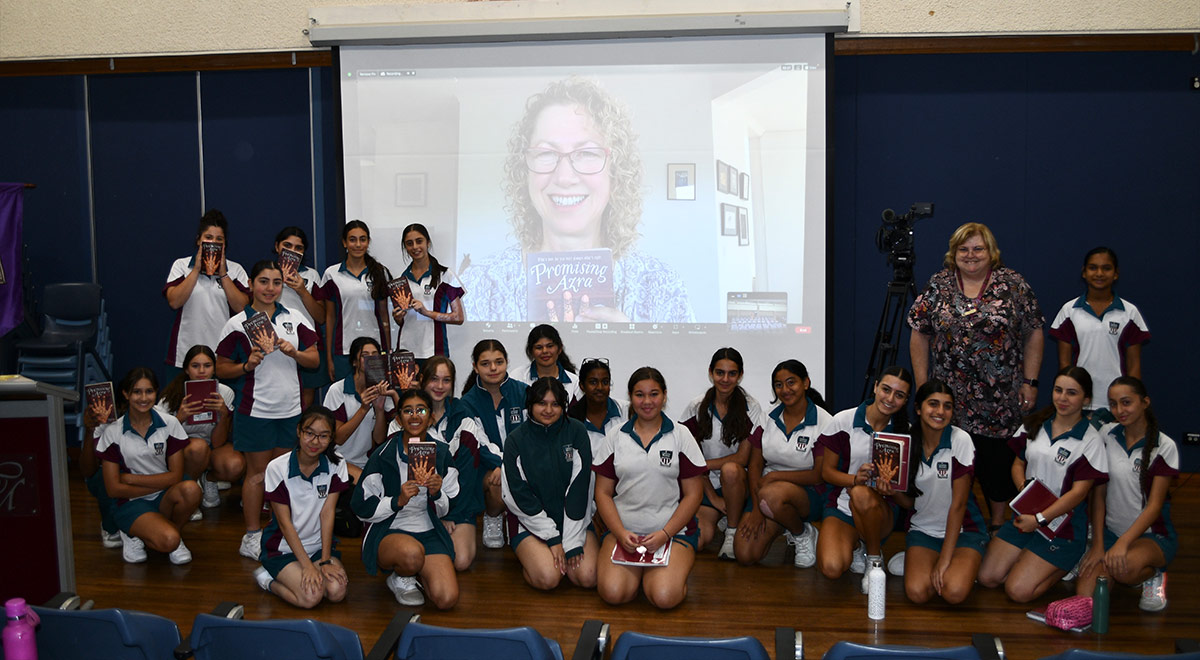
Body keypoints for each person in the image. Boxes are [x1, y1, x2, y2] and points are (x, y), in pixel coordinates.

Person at [460, 77, 695, 323]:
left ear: (616, 171)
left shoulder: (663, 287)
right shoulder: (480, 285)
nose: (564, 177)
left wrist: (631, 346)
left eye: (586, 153)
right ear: (524, 171)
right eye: (546, 153)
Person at [908, 222, 1045, 532]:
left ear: (991, 252)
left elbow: (1034, 331)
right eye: (963, 249)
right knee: (952, 466)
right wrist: (922, 387)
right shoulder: (939, 284)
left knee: (997, 468)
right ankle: (956, 527)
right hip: (949, 402)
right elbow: (919, 334)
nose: (970, 255)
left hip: (998, 401)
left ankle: (998, 528)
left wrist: (1030, 380)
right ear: (953, 253)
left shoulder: (1012, 284)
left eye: (978, 249)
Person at [215, 260, 320, 560]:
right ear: (250, 284)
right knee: (257, 475)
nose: (270, 288)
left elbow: (313, 360)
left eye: (276, 282)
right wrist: (246, 364)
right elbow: (221, 366)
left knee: (285, 477)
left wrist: (295, 352)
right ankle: (251, 535)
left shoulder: (296, 317)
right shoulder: (236, 323)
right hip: (255, 410)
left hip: (290, 411)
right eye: (263, 281)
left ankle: (281, 531)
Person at [977, 366, 1108, 603]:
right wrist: (1024, 493)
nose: (1063, 398)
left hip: (1062, 529)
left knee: (1017, 591)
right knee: (988, 578)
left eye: (1072, 393)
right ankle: (1029, 558)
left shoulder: (1091, 441)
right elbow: (1018, 465)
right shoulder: (1034, 424)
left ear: (1086, 399)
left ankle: (1069, 561)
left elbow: (1079, 493)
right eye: (1058, 390)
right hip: (1024, 517)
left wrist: (1040, 519)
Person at [593, 367, 705, 609]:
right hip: (624, 534)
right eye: (639, 395)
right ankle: (641, 573)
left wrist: (665, 534)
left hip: (671, 534)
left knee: (664, 597)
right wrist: (621, 534)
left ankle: (661, 575)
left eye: (653, 394)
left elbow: (694, 494)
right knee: (613, 593)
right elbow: (602, 493)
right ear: (631, 397)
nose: (647, 402)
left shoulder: (681, 435)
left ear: (664, 396)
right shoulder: (615, 436)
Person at [1075, 377, 1177, 612]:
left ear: (1145, 402)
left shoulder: (1164, 446)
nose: (1119, 410)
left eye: (1126, 402)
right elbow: (1098, 495)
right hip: (1111, 534)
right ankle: (1111, 558)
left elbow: (1154, 507)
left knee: (1125, 570)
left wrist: (1123, 544)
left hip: (1152, 535)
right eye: (1113, 404)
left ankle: (1154, 573)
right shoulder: (1106, 435)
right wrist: (1099, 545)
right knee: (1086, 598)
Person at [353, 389, 460, 609]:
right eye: (408, 411)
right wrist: (396, 501)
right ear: (399, 418)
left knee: (446, 599)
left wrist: (437, 493)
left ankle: (417, 570)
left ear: (430, 417)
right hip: (390, 530)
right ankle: (401, 576)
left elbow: (448, 507)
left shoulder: (441, 453)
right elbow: (360, 507)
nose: (414, 416)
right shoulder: (382, 455)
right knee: (411, 555)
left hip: (428, 530)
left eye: (421, 410)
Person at [888, 380, 988, 605]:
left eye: (947, 406)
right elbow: (908, 504)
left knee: (953, 593)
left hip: (964, 531)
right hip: (923, 530)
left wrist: (945, 559)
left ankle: (964, 562)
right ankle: (919, 560)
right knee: (917, 593)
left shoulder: (960, 440)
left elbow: (959, 505)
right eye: (933, 404)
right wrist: (890, 489)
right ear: (918, 408)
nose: (940, 412)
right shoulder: (906, 441)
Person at [816, 365, 913, 592]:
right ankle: (857, 545)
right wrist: (853, 479)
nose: (890, 399)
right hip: (842, 508)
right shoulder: (843, 420)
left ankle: (873, 558)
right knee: (831, 568)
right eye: (886, 390)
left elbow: (907, 500)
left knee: (861, 494)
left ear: (906, 400)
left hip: (880, 513)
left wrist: (891, 491)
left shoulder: (905, 432)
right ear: (876, 386)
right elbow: (826, 473)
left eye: (899, 395)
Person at [95, 368, 201, 564]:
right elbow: (113, 489)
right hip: (129, 502)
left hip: (158, 494)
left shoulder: (170, 423)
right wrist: (161, 481)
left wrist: (132, 479)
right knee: (167, 541)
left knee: (191, 490)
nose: (143, 398)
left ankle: (172, 533)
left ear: (156, 392)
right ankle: (132, 533)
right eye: (137, 392)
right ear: (126, 394)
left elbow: (176, 477)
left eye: (149, 391)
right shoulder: (113, 431)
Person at [733, 359, 832, 568]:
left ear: (806, 383)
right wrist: (758, 508)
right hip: (767, 494)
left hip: (808, 493)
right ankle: (783, 521)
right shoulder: (767, 417)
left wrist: (775, 477)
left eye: (791, 382)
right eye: (779, 385)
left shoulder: (824, 421)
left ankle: (802, 532)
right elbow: (755, 465)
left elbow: (818, 474)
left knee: (773, 494)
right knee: (745, 554)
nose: (785, 390)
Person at [502, 377, 598, 590]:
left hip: (573, 520)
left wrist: (571, 542)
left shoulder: (577, 431)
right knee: (549, 578)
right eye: (541, 403)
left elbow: (580, 488)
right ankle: (533, 560)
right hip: (530, 523)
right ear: (530, 406)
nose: (548, 410)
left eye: (555, 404)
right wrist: (552, 538)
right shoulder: (516, 440)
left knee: (587, 577)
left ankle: (558, 552)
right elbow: (518, 496)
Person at [252, 406, 351, 608]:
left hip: (317, 548)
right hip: (283, 549)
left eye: (324, 436)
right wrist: (306, 566)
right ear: (299, 431)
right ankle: (267, 580)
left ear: (331, 438)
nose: (315, 442)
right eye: (309, 433)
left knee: (336, 592)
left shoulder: (337, 464)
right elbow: (284, 522)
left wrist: (324, 561)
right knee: (311, 597)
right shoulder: (277, 468)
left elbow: (327, 513)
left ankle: (308, 570)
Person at [679, 348, 762, 559]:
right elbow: (689, 459)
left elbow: (742, 458)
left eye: (732, 373)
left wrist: (703, 465)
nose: (725, 379)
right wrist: (713, 497)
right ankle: (720, 517)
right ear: (711, 373)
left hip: (737, 484)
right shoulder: (696, 407)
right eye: (719, 372)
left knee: (731, 470)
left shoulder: (751, 408)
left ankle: (731, 531)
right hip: (705, 486)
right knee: (697, 541)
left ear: (740, 375)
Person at [412, 357, 489, 571]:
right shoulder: (410, 413)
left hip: (457, 506)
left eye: (446, 380)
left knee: (460, 560)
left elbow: (467, 473)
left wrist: (448, 514)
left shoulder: (463, 414)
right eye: (434, 379)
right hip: (417, 505)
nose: (439, 386)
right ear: (422, 380)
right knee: (413, 555)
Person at [1050, 247, 1150, 411]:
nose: (1099, 273)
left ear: (1116, 273)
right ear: (1084, 272)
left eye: (1106, 268)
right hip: (1080, 400)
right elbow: (1064, 364)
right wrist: (1068, 396)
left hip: (1116, 403)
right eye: (1093, 267)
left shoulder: (1130, 312)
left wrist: (1131, 401)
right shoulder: (1069, 310)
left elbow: (1134, 364)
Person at [156, 344, 244, 512]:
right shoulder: (173, 394)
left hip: (212, 447)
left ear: (214, 369)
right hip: (183, 451)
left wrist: (223, 415)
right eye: (195, 366)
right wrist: (179, 418)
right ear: (187, 370)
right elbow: (160, 439)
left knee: (234, 465)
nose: (201, 371)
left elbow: (218, 443)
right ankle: (188, 493)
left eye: (207, 365)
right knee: (198, 447)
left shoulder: (224, 393)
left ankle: (208, 479)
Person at [163, 209, 249, 376]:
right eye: (208, 238)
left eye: (219, 239)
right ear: (198, 240)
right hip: (184, 354)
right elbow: (174, 302)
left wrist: (223, 274)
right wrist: (196, 269)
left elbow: (242, 308)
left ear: (225, 244)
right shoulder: (181, 266)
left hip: (223, 356)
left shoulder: (236, 270)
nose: (213, 243)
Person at [459, 339, 527, 550]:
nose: (493, 368)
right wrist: (501, 463)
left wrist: (512, 462)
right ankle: (493, 515)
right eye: (485, 363)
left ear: (507, 362)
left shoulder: (524, 392)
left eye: (499, 362)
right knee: (497, 480)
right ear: (475, 367)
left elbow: (530, 433)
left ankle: (523, 522)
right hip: (488, 466)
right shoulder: (467, 402)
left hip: (523, 460)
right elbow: (478, 442)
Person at [319, 220, 393, 384]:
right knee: (345, 400)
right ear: (344, 243)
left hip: (374, 350)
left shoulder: (380, 272)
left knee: (376, 398)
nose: (358, 244)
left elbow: (384, 316)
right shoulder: (331, 274)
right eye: (352, 240)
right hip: (342, 351)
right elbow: (330, 317)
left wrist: (387, 352)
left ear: (368, 242)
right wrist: (330, 358)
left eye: (363, 239)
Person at [389, 223, 465, 360]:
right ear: (405, 247)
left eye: (419, 241)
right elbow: (404, 321)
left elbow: (459, 317)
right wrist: (398, 318)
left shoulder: (445, 275)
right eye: (409, 243)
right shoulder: (401, 280)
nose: (415, 247)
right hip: (406, 351)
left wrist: (426, 312)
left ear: (428, 243)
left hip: (435, 351)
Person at [323, 336, 393, 483]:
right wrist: (363, 409)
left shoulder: (381, 388)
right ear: (354, 362)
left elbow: (379, 439)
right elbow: (338, 438)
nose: (371, 359)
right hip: (338, 459)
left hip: (366, 462)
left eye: (375, 355)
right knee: (366, 486)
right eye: (364, 356)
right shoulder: (338, 390)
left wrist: (379, 410)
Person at [274, 226, 329, 408]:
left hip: (307, 342)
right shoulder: (268, 273)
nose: (292, 251)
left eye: (298, 248)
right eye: (287, 245)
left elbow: (321, 317)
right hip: (275, 341)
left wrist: (302, 290)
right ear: (277, 247)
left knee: (306, 393)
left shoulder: (311, 275)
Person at [509, 324, 582, 403]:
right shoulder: (516, 377)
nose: (545, 351)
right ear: (531, 351)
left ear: (560, 348)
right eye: (539, 347)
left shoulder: (574, 382)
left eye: (550, 346)